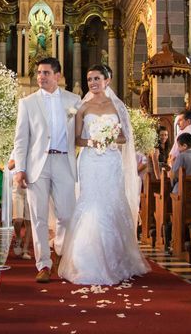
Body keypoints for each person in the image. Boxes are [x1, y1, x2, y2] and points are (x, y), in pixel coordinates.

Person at [58, 64, 150, 285]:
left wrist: (109, 138)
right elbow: (77, 138)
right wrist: (93, 141)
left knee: (110, 202)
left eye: (97, 78)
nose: (93, 83)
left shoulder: (117, 107)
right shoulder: (83, 107)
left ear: (107, 80)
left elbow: (124, 138)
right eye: (90, 79)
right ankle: (84, 260)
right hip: (90, 160)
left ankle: (116, 258)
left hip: (110, 161)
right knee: (91, 204)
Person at [12, 57, 81, 283]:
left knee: (67, 215)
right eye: (39, 73)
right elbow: (21, 139)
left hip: (64, 162)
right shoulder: (27, 103)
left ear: (57, 76)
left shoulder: (74, 100)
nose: (41, 77)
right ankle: (43, 264)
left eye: (46, 73)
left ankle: (60, 252)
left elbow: (81, 132)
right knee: (38, 216)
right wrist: (20, 169)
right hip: (36, 165)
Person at [8, 157, 32, 260]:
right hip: (17, 186)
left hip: (32, 185)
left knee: (29, 221)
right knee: (17, 219)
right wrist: (22, 156)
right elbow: (9, 166)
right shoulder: (18, 149)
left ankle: (25, 250)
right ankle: (18, 237)